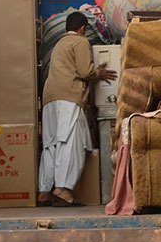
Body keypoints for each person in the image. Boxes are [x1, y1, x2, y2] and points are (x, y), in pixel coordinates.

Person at [38, 12, 116, 206]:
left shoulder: (59, 44)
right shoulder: (80, 42)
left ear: (66, 28)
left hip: (49, 98)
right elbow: (85, 71)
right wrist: (99, 73)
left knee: (51, 144)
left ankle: (44, 192)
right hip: (68, 97)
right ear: (82, 29)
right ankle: (63, 190)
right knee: (70, 142)